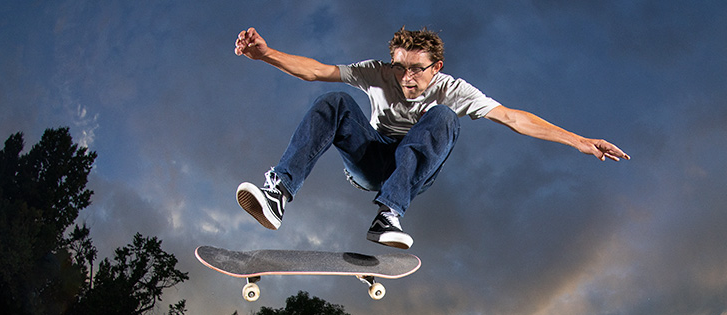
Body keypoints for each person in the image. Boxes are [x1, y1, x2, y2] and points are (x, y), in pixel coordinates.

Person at [234, 26, 629, 250]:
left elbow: (511, 117)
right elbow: (316, 71)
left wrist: (578, 140)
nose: (406, 78)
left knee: (444, 118)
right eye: (400, 67)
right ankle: (278, 195)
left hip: (410, 171)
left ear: (436, 67)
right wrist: (266, 54)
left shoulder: (453, 89)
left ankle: (388, 214)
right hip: (370, 163)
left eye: (418, 70)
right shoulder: (378, 72)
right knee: (334, 100)